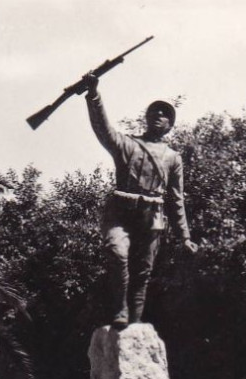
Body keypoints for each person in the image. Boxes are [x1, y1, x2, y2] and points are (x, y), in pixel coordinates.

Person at [84, 75, 198, 327]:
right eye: (154, 110)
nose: (158, 114)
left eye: (165, 113)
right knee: (116, 252)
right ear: (146, 117)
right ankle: (120, 309)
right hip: (121, 212)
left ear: (170, 125)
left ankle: (133, 325)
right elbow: (103, 129)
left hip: (152, 216)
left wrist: (184, 237)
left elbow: (176, 199)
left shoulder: (172, 158)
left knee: (142, 273)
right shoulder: (128, 145)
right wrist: (94, 96)